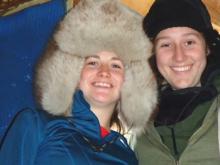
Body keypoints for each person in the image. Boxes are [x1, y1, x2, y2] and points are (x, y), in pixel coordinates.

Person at [0, 0, 157, 164]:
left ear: (129, 82)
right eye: (93, 63)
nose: (104, 72)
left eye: (115, 65)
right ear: (72, 73)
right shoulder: (37, 125)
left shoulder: (127, 156)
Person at [134, 0, 220, 164]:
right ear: (153, 53)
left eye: (189, 42)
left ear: (207, 48)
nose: (179, 56)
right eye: (166, 44)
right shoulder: (136, 124)